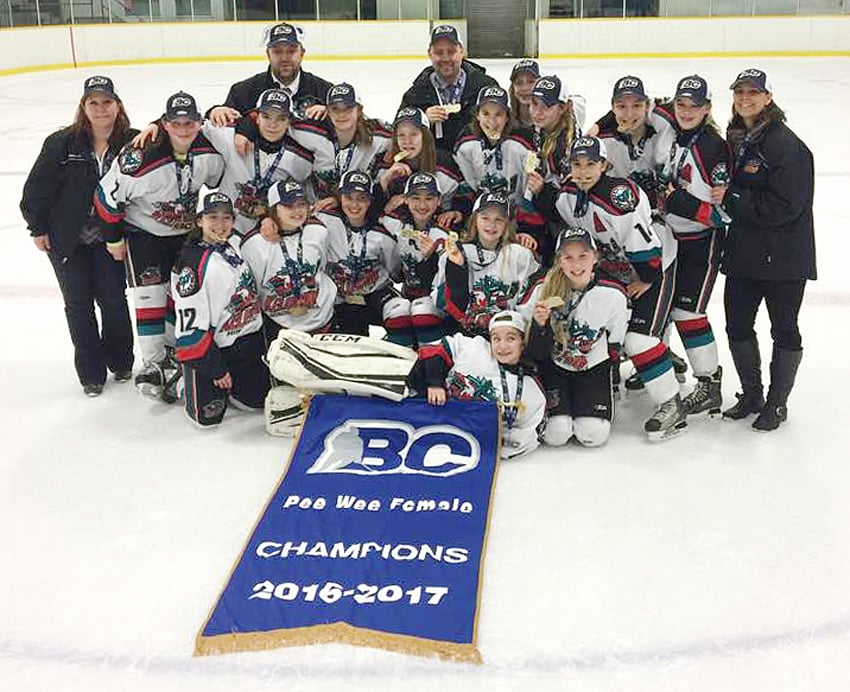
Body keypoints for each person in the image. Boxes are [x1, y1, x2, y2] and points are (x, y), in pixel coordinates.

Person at [94, 91, 225, 402]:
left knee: (181, 294)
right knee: (149, 297)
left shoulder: (209, 153)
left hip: (183, 235)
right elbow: (105, 196)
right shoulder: (140, 156)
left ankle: (176, 354)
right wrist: (113, 238)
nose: (183, 128)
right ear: (165, 124)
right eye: (176, 122)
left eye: (190, 122)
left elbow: (219, 178)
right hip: (144, 235)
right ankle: (153, 363)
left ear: (199, 123)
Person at [552, 137, 685, 441]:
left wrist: (648, 279)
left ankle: (672, 405)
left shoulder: (618, 195)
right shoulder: (569, 194)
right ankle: (660, 358)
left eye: (591, 164)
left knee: (638, 339)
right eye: (577, 165)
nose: (583, 171)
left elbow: (645, 247)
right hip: (619, 269)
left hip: (653, 266)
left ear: (604, 165)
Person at [20, 76, 136, 397]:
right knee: (78, 304)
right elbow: (37, 189)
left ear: (118, 105)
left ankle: (121, 360)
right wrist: (38, 227)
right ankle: (91, 373)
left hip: (111, 240)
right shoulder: (62, 143)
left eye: (107, 102)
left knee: (113, 300)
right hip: (67, 240)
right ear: (83, 107)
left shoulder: (133, 142)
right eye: (93, 102)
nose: (100, 109)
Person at [720, 68, 816, 431]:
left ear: (768, 98)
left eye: (753, 93)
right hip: (745, 254)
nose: (745, 99)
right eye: (740, 92)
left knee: (784, 330)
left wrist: (733, 197)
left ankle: (777, 404)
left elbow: (787, 205)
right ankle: (752, 395)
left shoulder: (785, 144)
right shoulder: (738, 138)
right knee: (737, 326)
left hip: (784, 259)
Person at [655, 75, 729, 418]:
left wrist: (680, 203)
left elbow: (722, 214)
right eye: (681, 104)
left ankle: (709, 384)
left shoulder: (713, 148)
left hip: (701, 243)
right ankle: (665, 360)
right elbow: (629, 108)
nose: (686, 111)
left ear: (708, 109)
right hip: (668, 238)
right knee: (664, 307)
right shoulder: (668, 126)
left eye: (694, 106)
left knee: (688, 312)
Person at [526, 227, 629, 448]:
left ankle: (587, 403)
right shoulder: (541, 290)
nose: (576, 264)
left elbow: (615, 340)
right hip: (554, 368)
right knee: (555, 435)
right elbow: (532, 350)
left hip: (592, 370)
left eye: (583, 256)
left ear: (595, 257)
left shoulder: (613, 294)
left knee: (593, 435)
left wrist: (610, 375)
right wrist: (539, 325)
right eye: (568, 257)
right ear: (558, 260)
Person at [172, 192, 268, 427]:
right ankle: (183, 379)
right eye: (212, 217)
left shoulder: (234, 244)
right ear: (199, 221)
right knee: (207, 419)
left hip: (244, 344)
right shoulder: (192, 265)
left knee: (258, 402)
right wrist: (215, 370)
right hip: (211, 353)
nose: (220, 224)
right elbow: (189, 331)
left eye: (226, 218)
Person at [416, 310, 546, 459]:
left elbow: (525, 433)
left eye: (510, 339)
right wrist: (435, 383)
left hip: (463, 442)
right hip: (434, 416)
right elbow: (432, 351)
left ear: (522, 343)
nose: (502, 347)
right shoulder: (474, 347)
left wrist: (496, 446)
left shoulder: (530, 389)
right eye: (496, 339)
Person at [240, 179, 336, 344]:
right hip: (279, 326)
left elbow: (323, 266)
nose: (297, 211)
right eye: (288, 206)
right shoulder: (254, 244)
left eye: (301, 204)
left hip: (322, 321)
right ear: (274, 209)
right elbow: (252, 289)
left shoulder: (318, 231)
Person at [434, 191, 539, 338]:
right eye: (485, 218)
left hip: (507, 337)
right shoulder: (454, 253)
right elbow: (441, 304)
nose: (492, 225)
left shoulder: (521, 255)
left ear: (507, 224)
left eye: (499, 219)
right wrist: (456, 268)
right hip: (464, 335)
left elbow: (530, 302)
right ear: (474, 220)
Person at [318, 171, 403, 341]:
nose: (355, 205)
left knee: (400, 311)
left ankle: (402, 349)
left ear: (370, 201)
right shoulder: (324, 218)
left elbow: (396, 273)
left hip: (374, 294)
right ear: (340, 197)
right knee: (351, 329)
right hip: (340, 297)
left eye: (361, 198)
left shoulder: (383, 235)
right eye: (349, 197)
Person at [283, 82, 392, 208]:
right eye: (335, 108)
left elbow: (407, 133)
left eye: (348, 108)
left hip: (359, 208)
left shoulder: (378, 135)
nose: (341, 114)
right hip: (317, 209)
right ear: (327, 110)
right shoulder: (311, 131)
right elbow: (273, 120)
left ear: (359, 110)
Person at [206, 22, 332, 127]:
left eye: (291, 51)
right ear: (268, 54)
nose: (284, 58)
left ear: (302, 53)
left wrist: (332, 113)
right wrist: (216, 111)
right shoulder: (243, 92)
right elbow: (223, 121)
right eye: (277, 52)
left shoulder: (324, 91)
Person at [399, 24, 497, 153]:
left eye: (451, 52)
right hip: (436, 166)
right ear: (430, 53)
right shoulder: (415, 94)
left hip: (477, 164)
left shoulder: (485, 87)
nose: (445, 59)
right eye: (439, 53)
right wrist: (422, 121)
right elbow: (399, 137)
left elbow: (502, 129)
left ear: (461, 51)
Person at [380, 172, 451, 348]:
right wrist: (383, 182)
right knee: (398, 309)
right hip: (408, 296)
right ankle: (401, 361)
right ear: (406, 199)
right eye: (415, 198)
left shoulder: (445, 234)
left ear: (439, 201)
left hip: (435, 303)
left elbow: (446, 283)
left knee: (421, 309)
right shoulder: (396, 224)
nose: (421, 205)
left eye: (429, 198)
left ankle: (431, 360)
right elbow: (369, 214)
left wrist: (430, 259)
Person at [376, 106, 462, 219]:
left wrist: (455, 213)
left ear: (426, 137)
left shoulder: (445, 165)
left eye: (414, 134)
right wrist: (384, 181)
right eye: (401, 135)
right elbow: (372, 214)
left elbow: (458, 204)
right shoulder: (385, 166)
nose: (407, 141)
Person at [509, 59, 541, 128]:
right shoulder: (506, 120)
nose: (525, 88)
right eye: (518, 83)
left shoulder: (553, 119)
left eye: (531, 82)